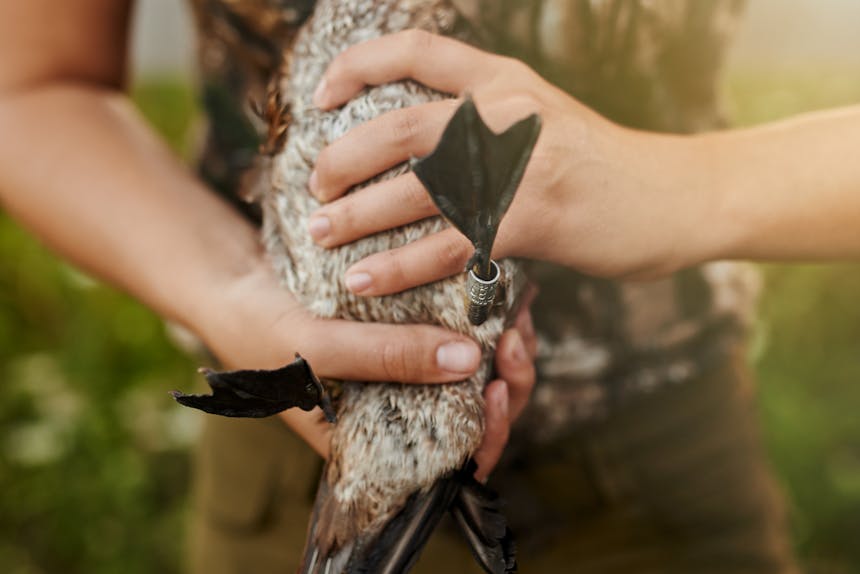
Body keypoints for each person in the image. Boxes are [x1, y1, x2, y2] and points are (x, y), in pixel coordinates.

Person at [5, 0, 852, 572]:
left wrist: (682, 187)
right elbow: (30, 84)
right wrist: (240, 294)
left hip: (661, 482)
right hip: (304, 490)